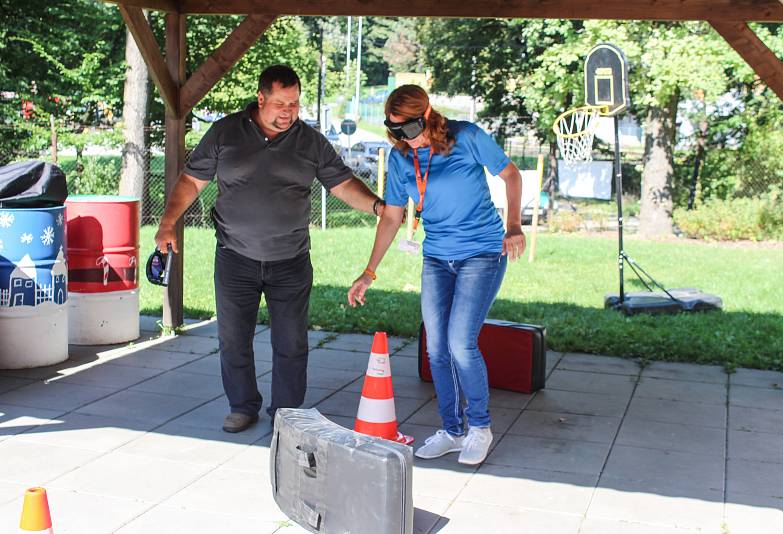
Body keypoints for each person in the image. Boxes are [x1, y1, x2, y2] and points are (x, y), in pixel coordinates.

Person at [156, 65, 386, 433]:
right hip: (235, 256)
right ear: (260, 98)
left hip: (291, 260)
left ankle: (287, 413)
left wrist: (377, 206)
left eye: (294, 104)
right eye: (279, 103)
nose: (287, 112)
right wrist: (168, 223)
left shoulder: (309, 141)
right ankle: (242, 405)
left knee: (291, 342)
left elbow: (342, 185)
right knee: (233, 339)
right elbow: (192, 180)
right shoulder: (225, 132)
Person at [347, 85, 525, 465]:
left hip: (481, 252)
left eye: (407, 130)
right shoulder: (400, 159)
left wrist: (514, 225)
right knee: (436, 348)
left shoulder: (467, 137)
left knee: (461, 343)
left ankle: (479, 427)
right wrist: (368, 271)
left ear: (426, 116)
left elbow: (511, 175)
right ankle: (453, 430)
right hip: (437, 258)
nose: (402, 139)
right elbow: (393, 216)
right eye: (394, 131)